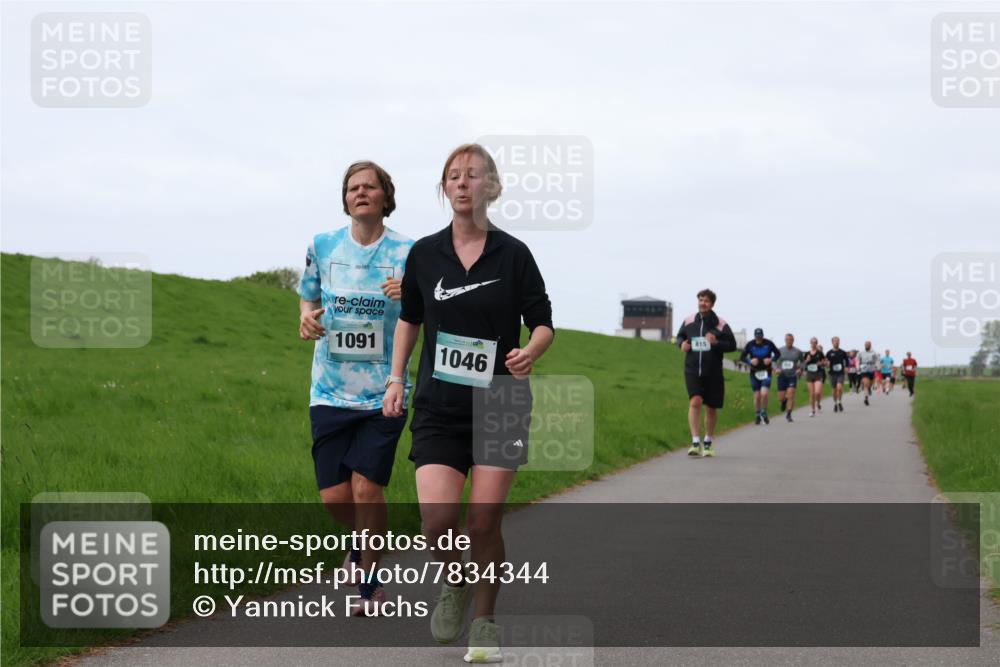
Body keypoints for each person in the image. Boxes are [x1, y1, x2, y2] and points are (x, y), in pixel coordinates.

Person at [383, 143, 554, 663]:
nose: (461, 182)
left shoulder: (514, 254)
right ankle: (455, 581)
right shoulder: (425, 254)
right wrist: (396, 379)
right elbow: (410, 318)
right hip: (439, 404)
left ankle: (484, 622)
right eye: (452, 176)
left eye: (472, 175)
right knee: (436, 523)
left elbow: (543, 320)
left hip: (500, 400)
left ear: (491, 187)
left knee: (482, 521)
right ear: (444, 188)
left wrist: (531, 351)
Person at [298, 160, 414, 616]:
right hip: (329, 389)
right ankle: (359, 541)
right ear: (345, 198)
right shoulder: (322, 245)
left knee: (367, 489)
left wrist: (410, 293)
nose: (360, 193)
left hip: (386, 389)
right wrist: (306, 317)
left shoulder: (409, 251)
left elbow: (423, 311)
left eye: (369, 187)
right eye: (352, 188)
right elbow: (309, 295)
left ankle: (370, 582)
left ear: (386, 196)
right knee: (335, 498)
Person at [676, 289, 737, 456]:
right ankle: (695, 442)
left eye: (706, 301)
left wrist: (716, 342)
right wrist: (681, 344)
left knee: (711, 407)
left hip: (713, 371)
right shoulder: (689, 321)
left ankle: (708, 441)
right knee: (695, 401)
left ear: (712, 304)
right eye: (701, 300)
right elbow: (680, 337)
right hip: (692, 369)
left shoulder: (721, 324)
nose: (703, 303)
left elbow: (732, 345)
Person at [740, 327, 780, 425]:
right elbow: (742, 357)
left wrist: (771, 360)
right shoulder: (750, 345)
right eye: (757, 336)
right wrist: (750, 361)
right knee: (757, 396)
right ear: (755, 336)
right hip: (754, 373)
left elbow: (778, 354)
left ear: (763, 335)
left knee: (764, 394)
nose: (759, 338)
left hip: (766, 372)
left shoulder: (769, 343)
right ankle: (758, 415)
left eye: (760, 336)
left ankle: (764, 412)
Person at [775, 333, 804, 422]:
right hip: (782, 375)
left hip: (792, 375)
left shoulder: (798, 351)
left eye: (790, 340)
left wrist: (800, 369)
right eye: (787, 340)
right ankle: (784, 401)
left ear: (793, 340)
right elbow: (773, 361)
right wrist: (776, 368)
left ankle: (789, 414)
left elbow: (803, 362)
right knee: (781, 397)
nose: (789, 341)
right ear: (785, 340)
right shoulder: (780, 350)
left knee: (791, 394)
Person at [802, 338, 826, 417]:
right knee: (812, 394)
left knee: (817, 392)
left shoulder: (820, 353)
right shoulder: (807, 353)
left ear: (816, 343)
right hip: (809, 374)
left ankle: (818, 403)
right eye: (812, 342)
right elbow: (803, 364)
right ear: (810, 343)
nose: (813, 344)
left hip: (818, 374)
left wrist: (821, 363)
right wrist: (807, 361)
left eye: (815, 342)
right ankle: (812, 410)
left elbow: (825, 362)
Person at [825, 336, 850, 412]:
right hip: (832, 373)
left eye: (837, 341)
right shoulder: (829, 353)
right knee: (834, 389)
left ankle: (839, 401)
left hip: (840, 373)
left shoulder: (843, 352)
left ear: (839, 342)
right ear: (832, 342)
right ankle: (835, 403)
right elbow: (826, 362)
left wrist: (846, 367)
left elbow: (847, 361)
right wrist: (827, 364)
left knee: (839, 388)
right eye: (835, 341)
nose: (836, 342)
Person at [857, 341, 880, 406]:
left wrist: (878, 367)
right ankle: (866, 398)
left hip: (871, 370)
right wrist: (858, 366)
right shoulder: (860, 353)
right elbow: (857, 360)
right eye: (866, 345)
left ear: (870, 345)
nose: (867, 346)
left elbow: (877, 360)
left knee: (870, 384)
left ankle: (869, 388)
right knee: (866, 384)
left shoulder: (874, 353)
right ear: (864, 345)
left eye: (868, 345)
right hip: (864, 370)